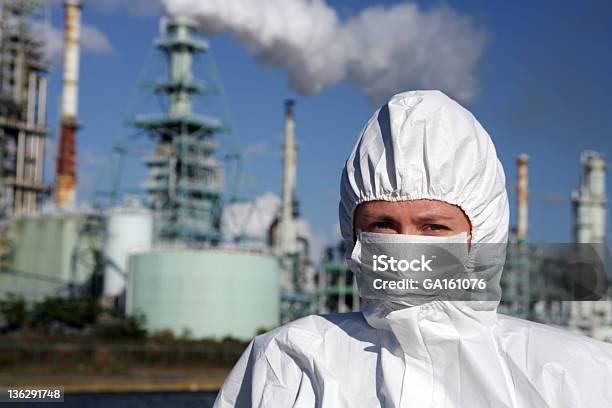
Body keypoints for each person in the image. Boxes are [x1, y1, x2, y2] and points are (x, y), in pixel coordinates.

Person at [213, 90, 612, 407]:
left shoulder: (576, 375)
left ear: (482, 233)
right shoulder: (289, 361)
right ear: (352, 234)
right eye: (383, 225)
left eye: (433, 226)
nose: (406, 246)